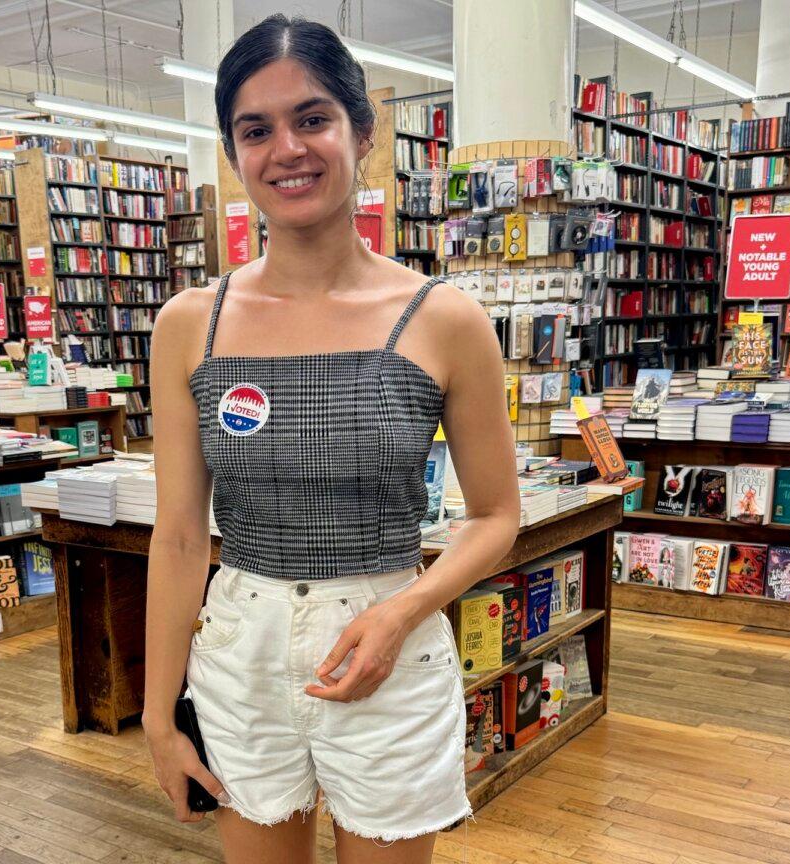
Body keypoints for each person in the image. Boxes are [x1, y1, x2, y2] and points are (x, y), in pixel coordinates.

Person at [144, 14, 521, 863]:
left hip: (388, 634)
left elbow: (497, 515)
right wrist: (158, 715)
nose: (288, 149)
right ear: (233, 152)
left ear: (362, 133)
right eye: (256, 129)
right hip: (242, 645)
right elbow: (176, 537)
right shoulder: (189, 328)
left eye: (312, 118)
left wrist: (404, 610)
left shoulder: (443, 319)